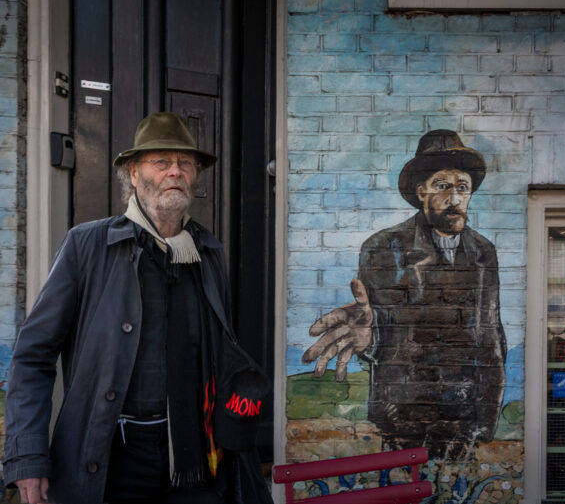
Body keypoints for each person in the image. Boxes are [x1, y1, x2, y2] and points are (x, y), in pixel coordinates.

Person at [3, 113, 273, 504]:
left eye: (185, 163)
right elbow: (33, 355)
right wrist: (27, 456)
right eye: (161, 162)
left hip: (193, 459)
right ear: (133, 173)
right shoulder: (87, 246)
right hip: (111, 459)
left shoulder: (207, 252)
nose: (175, 172)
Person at [303, 129, 507, 459]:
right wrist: (370, 334)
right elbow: (379, 330)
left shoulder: (483, 251)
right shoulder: (382, 248)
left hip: (464, 418)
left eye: (462, 188)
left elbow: (491, 336)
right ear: (421, 190)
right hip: (402, 417)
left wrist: (486, 423)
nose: (454, 198)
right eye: (442, 186)